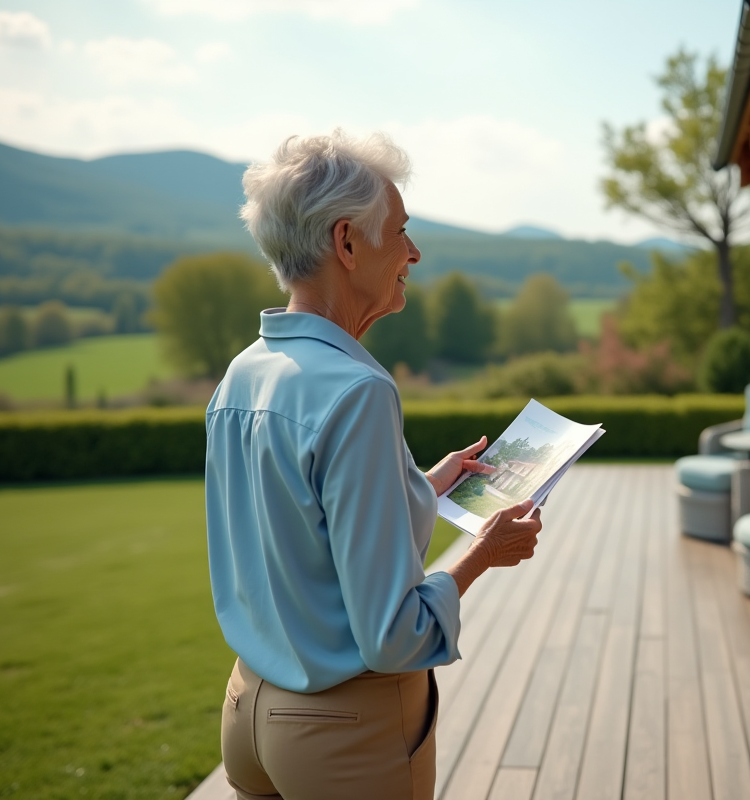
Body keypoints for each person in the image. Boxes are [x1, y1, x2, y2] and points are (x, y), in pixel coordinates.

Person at [205, 129, 542, 800]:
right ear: (348, 243)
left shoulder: (245, 373)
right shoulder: (359, 391)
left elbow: (302, 525)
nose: (414, 253)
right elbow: (393, 636)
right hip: (344, 735)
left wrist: (420, 484)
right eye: (402, 232)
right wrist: (482, 552)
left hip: (248, 711)